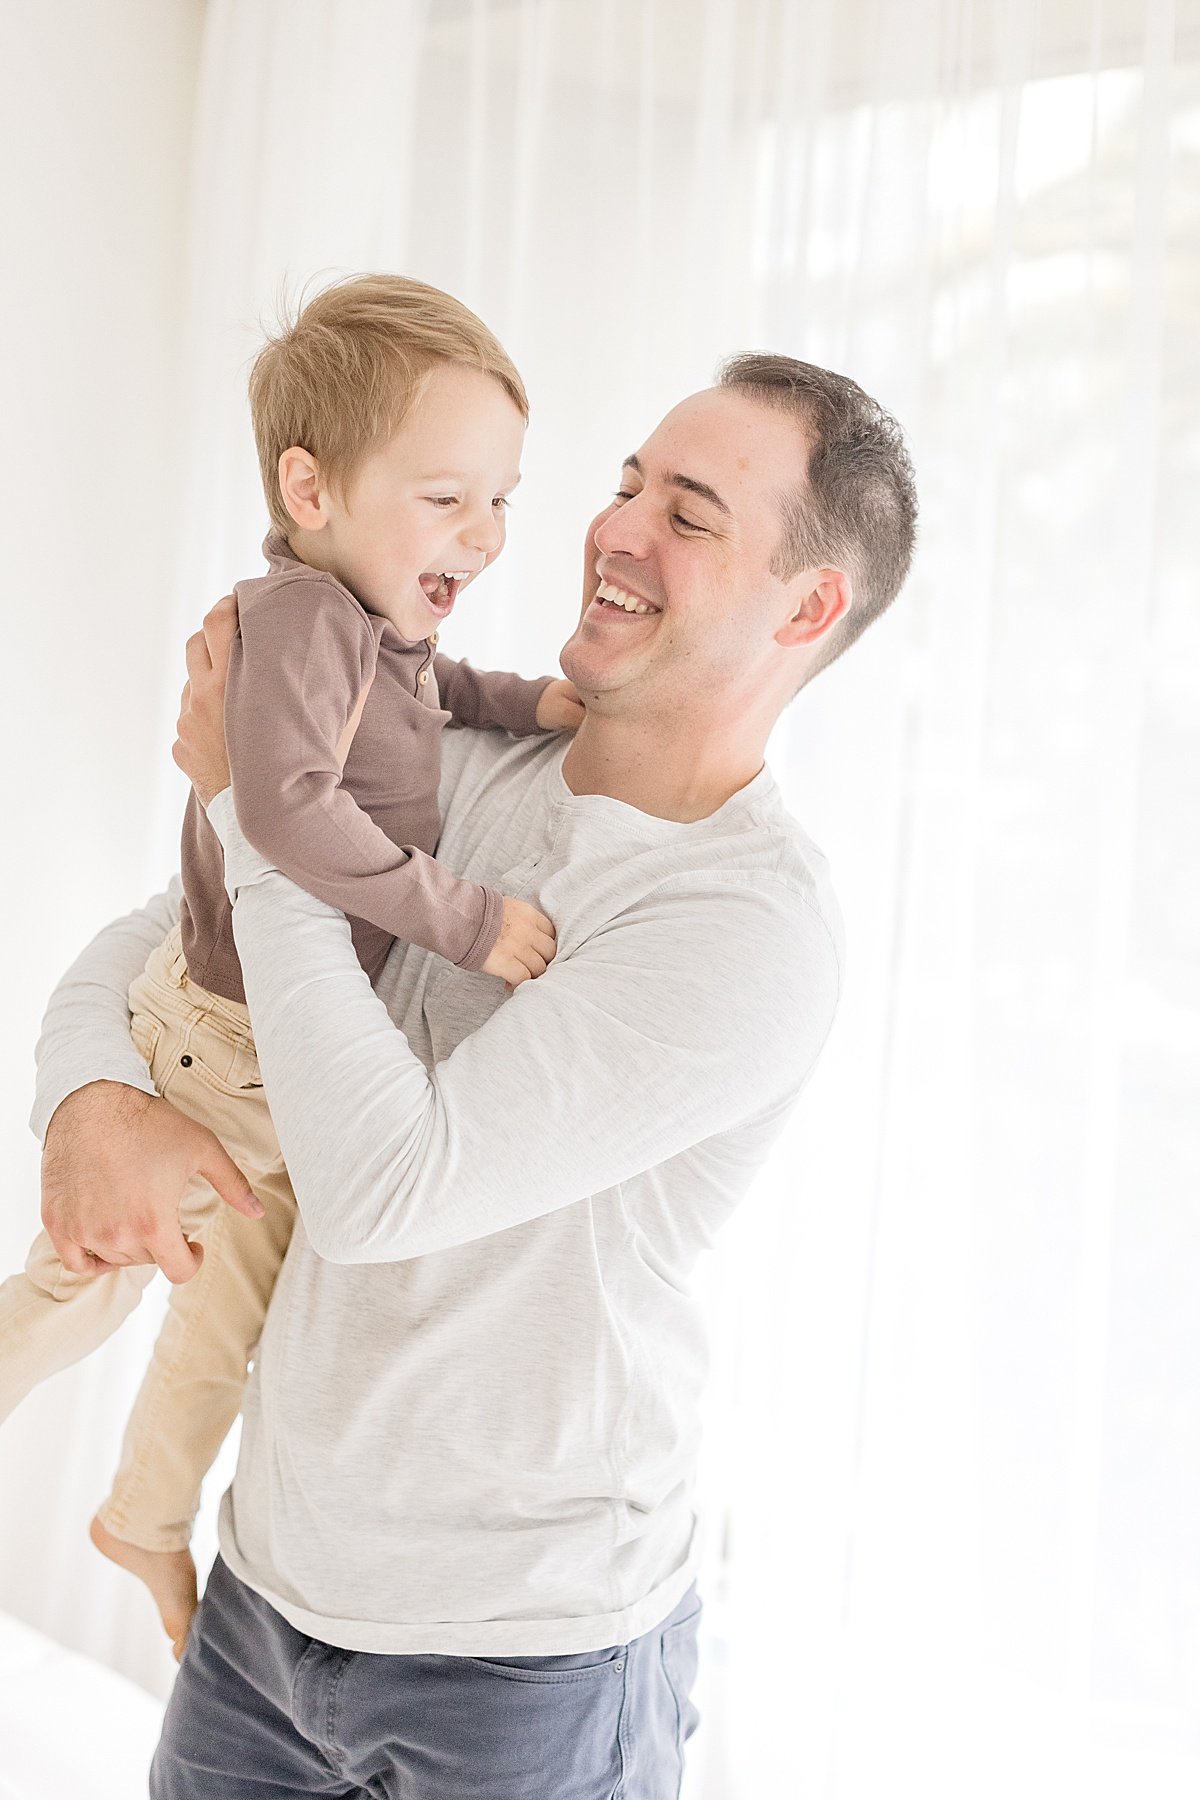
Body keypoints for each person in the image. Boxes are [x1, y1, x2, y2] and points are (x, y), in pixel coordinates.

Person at [31, 353, 917, 1798]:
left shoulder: (742, 925)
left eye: (688, 515)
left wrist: (258, 808)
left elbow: (388, 1189)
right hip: (268, 1597)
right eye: (629, 481)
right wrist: (87, 1101)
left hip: (523, 1673)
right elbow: (167, 937)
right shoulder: (473, 758)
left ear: (806, 607)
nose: (615, 527)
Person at [0, 273, 583, 1657]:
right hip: (227, 1038)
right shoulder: (304, 620)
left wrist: (526, 703)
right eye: (449, 498)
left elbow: (436, 700)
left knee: (214, 1316)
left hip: (261, 1047)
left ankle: (142, 1517)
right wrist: (464, 918)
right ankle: (132, 1503)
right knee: (102, 1276)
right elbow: (281, 810)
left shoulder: (377, 629)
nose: (489, 535)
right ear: (309, 491)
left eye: (504, 497)